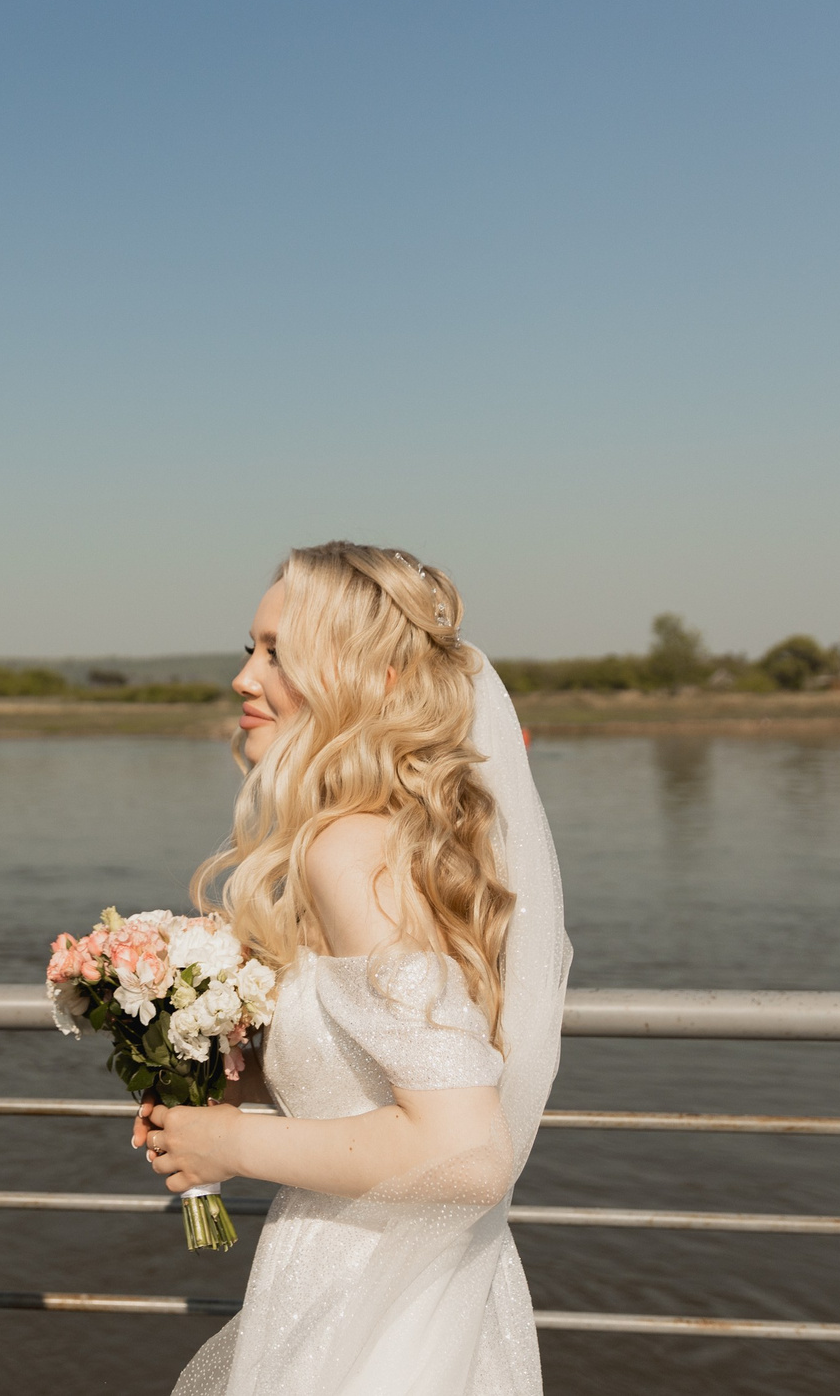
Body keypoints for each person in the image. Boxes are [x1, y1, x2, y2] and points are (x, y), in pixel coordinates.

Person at [139, 542, 570, 1396]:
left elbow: (468, 1152)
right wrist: (231, 1078)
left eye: (275, 653)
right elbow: (384, 1087)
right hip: (419, 1282)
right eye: (248, 649)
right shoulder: (390, 836)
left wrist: (228, 1141)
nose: (243, 679)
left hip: (378, 1314)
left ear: (366, 678)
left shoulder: (348, 852)